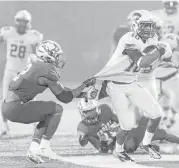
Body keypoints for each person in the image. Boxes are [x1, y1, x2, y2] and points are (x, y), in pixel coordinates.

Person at [1, 40, 96, 163]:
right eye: (56, 55)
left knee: (47, 113)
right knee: (57, 109)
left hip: (9, 105)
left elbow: (62, 89)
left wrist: (84, 93)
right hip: (16, 106)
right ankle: (44, 147)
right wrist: (84, 85)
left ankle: (34, 149)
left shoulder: (38, 66)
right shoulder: (47, 69)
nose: (58, 58)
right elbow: (64, 98)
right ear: (47, 55)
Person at [94, 12, 165, 162]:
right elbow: (141, 62)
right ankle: (118, 150)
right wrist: (161, 51)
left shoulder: (153, 38)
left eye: (150, 26)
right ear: (135, 26)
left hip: (133, 82)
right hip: (116, 85)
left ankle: (146, 143)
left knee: (157, 113)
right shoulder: (128, 38)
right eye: (144, 25)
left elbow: (151, 61)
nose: (147, 29)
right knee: (127, 124)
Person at [77, 96, 179, 154]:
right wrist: (103, 141)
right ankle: (159, 148)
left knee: (157, 131)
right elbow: (103, 150)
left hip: (124, 133)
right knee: (129, 146)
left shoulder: (105, 109)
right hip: (113, 145)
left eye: (93, 109)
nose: (91, 113)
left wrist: (119, 126)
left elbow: (120, 120)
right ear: (82, 113)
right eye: (87, 111)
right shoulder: (83, 128)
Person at [0, 10, 43, 136]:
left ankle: (36, 126)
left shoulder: (33, 35)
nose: (23, 25)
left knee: (31, 100)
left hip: (26, 72)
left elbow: (39, 51)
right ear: (16, 22)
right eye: (21, 22)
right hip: (10, 71)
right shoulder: (8, 32)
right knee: (5, 100)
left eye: (25, 22)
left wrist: (36, 57)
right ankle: (4, 127)